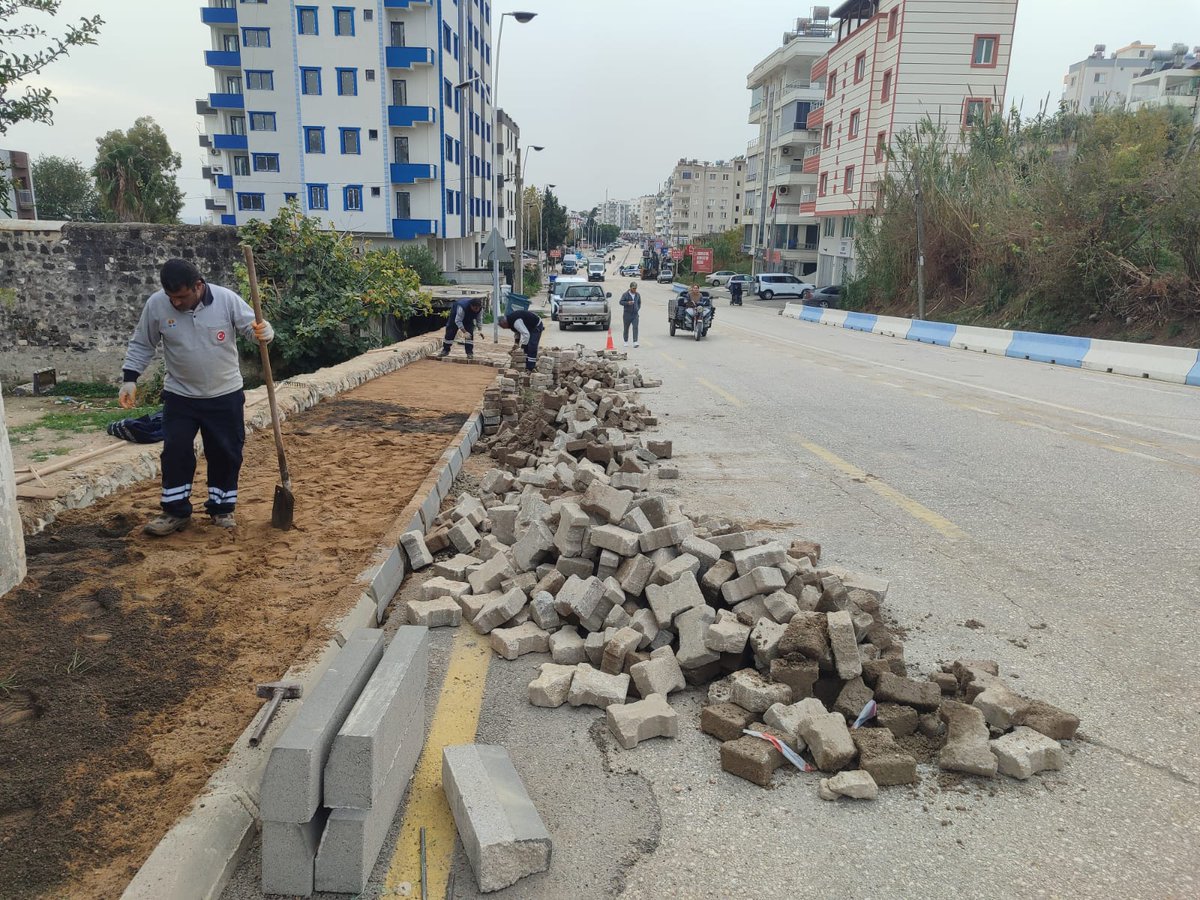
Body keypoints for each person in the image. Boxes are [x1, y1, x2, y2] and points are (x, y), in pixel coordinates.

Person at [119, 258, 273, 536]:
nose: (175, 304)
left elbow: (253, 328)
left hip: (225, 394)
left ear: (198, 286)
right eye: (171, 298)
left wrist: (264, 332)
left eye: (181, 297)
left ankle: (222, 509)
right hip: (181, 396)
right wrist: (130, 379)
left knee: (226, 452)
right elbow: (143, 342)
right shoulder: (157, 305)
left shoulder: (226, 300)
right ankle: (175, 511)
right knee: (175, 451)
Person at [619, 282, 641, 348]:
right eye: (633, 288)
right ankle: (625, 341)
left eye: (635, 288)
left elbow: (639, 303)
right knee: (626, 328)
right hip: (627, 314)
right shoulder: (625, 294)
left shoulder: (637, 295)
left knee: (635, 327)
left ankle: (635, 341)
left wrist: (637, 308)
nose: (634, 290)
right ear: (630, 288)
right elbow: (621, 302)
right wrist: (628, 303)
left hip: (635, 314)